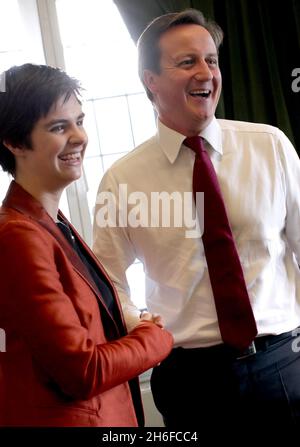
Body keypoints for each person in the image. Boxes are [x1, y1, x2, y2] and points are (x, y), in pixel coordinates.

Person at [93, 9, 300, 433]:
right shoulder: (122, 180)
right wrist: (140, 325)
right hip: (190, 379)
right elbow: (107, 281)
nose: (206, 72)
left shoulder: (271, 148)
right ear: (150, 80)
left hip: (285, 363)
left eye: (211, 60)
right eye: (187, 62)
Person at [0, 63, 173, 427]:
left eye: (79, 120)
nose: (79, 136)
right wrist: (155, 338)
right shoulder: (17, 236)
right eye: (59, 127)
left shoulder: (51, 223)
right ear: (14, 142)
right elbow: (82, 371)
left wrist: (129, 324)